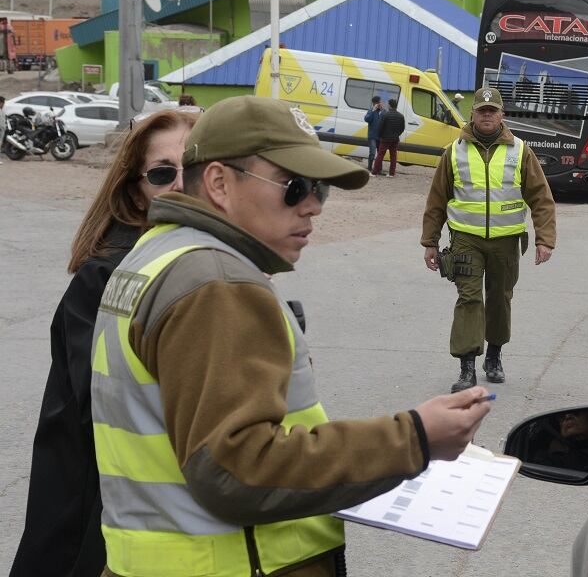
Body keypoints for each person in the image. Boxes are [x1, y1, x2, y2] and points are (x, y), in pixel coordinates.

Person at [86, 96, 491, 575]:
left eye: (321, 188)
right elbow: (236, 469)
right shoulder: (218, 281)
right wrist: (415, 438)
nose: (314, 206)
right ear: (219, 183)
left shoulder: (155, 253)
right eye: (294, 187)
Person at [10, 109, 197, 577]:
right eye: (161, 173)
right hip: (98, 500)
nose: (179, 184)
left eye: (191, 168)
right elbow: (105, 404)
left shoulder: (195, 256)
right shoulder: (111, 274)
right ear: (136, 189)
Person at [421, 87, 557, 392]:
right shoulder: (453, 151)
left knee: (500, 299)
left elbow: (541, 198)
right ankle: (466, 366)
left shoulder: (520, 151)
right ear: (472, 114)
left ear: (501, 115)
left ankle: (494, 356)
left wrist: (544, 239)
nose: (486, 115)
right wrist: (430, 241)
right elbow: (436, 201)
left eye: (492, 111)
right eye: (481, 111)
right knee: (469, 298)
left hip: (506, 242)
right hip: (466, 239)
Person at [372, 97, 406, 176]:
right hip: (395, 139)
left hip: (385, 139)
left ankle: (374, 172)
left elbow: (380, 127)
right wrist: (397, 134)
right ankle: (391, 174)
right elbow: (402, 128)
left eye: (388, 105)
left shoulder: (385, 115)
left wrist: (380, 136)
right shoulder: (401, 116)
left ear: (390, 105)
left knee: (380, 155)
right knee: (393, 156)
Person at [363, 94, 384, 168]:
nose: (380, 104)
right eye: (379, 102)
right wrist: (373, 110)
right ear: (375, 103)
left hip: (381, 136)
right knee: (372, 152)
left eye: (380, 102)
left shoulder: (383, 111)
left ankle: (379, 169)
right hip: (372, 136)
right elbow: (367, 119)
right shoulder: (371, 111)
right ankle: (369, 167)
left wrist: (382, 110)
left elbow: (387, 118)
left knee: (380, 153)